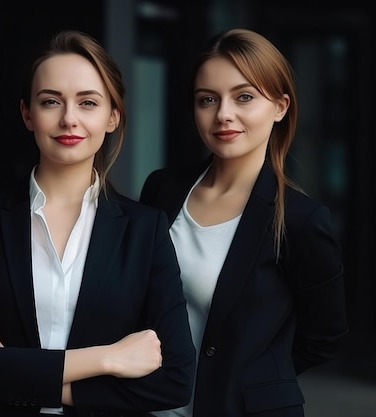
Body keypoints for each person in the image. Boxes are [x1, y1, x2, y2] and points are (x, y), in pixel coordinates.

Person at [0, 29, 196, 416]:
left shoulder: (145, 229)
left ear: (113, 116)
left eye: (88, 103)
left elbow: (176, 380)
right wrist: (108, 358)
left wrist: (13, 365)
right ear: (27, 113)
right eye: (50, 102)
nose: (69, 119)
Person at [140, 28, 348, 417]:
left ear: (280, 107)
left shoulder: (301, 220)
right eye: (208, 100)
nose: (223, 114)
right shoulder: (162, 190)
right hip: (151, 408)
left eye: (244, 97)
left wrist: (252, 378)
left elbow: (325, 335)